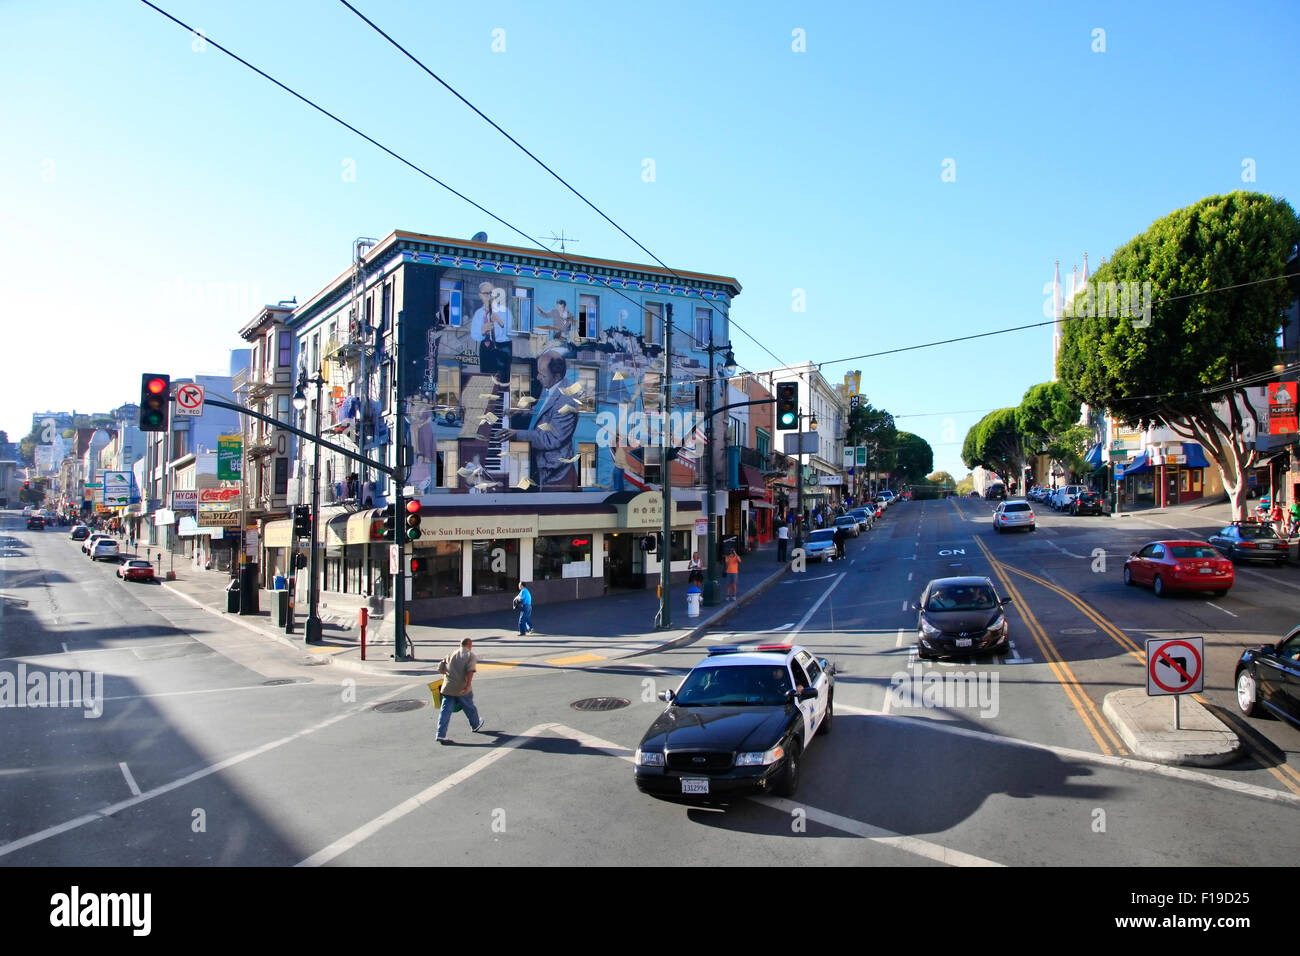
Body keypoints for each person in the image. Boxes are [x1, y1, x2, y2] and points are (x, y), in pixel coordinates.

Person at [500, 348, 578, 489]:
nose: (537, 377)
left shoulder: (567, 401)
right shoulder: (551, 385)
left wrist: (517, 434)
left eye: (542, 375)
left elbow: (551, 439)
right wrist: (520, 412)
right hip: (541, 459)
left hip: (554, 473)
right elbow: (542, 411)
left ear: (557, 375)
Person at [435, 638, 484, 743]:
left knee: (445, 711)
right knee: (469, 706)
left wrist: (449, 676)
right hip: (461, 687)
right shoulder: (470, 655)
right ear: (469, 645)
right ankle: (475, 724)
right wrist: (467, 685)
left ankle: (440, 734)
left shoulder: (451, 653)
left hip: (448, 687)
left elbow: (440, 668)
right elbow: (470, 671)